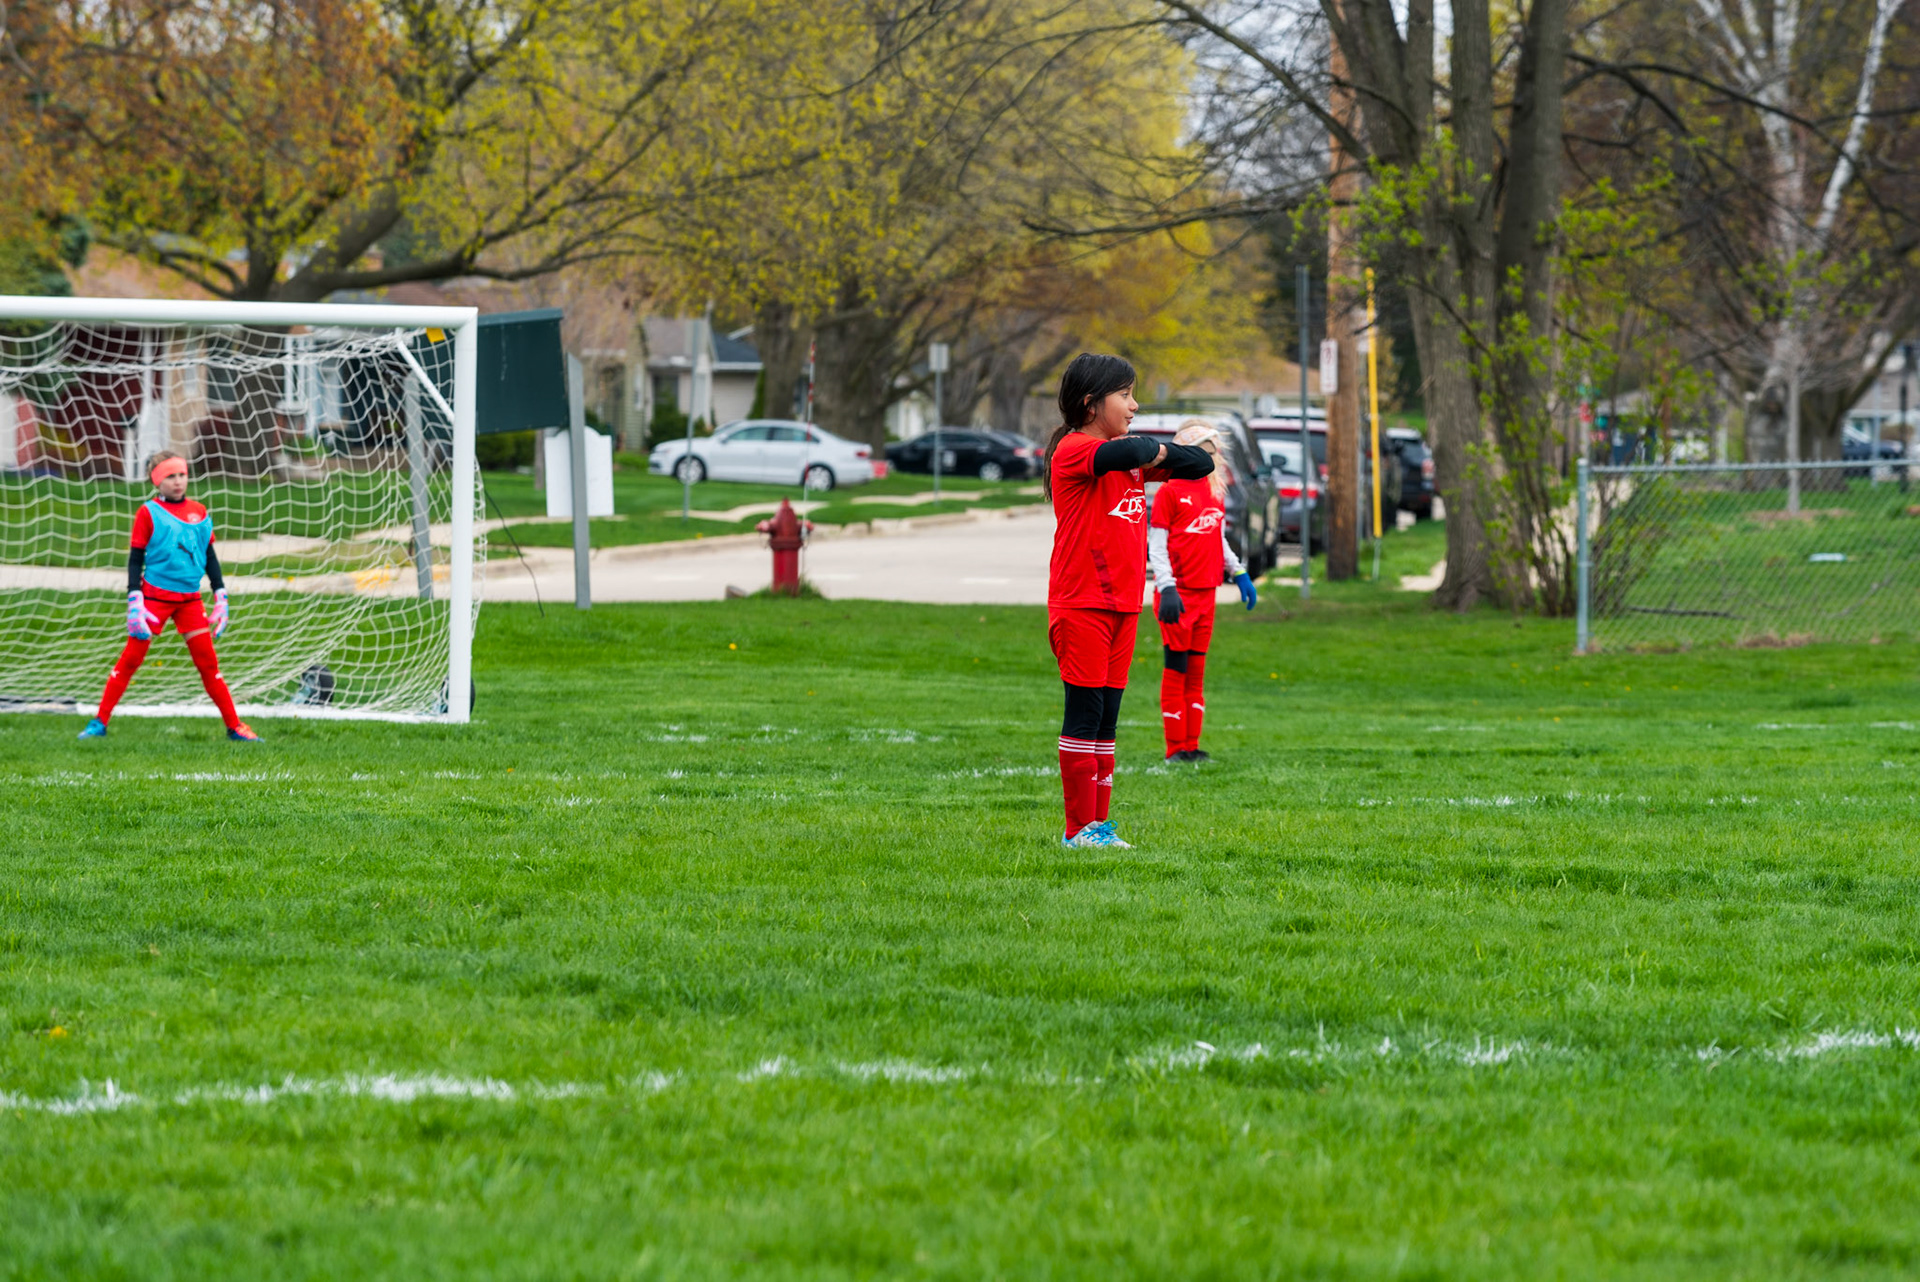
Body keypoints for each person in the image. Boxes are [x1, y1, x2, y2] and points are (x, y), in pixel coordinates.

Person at [1045, 354, 1213, 848]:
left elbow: (1200, 464)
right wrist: (1157, 451)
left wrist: (1157, 454)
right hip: (1082, 603)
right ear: (1090, 403)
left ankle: (1097, 826)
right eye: (1125, 395)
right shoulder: (1075, 450)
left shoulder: (1129, 458)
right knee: (1084, 715)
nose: (1135, 405)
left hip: (1123, 605)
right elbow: (1133, 451)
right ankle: (1077, 830)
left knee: (1107, 720)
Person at [78, 451, 259, 741]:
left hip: (190, 601)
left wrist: (220, 593)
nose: (177, 481)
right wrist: (134, 599)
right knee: (131, 660)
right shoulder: (148, 512)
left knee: (208, 665)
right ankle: (99, 722)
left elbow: (209, 555)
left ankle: (235, 726)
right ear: (157, 481)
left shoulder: (199, 512)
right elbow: (135, 558)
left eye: (181, 475)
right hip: (154, 600)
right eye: (170, 476)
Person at [1150, 420, 1257, 762]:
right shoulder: (1169, 492)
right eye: (1208, 451)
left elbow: (1217, 537)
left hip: (1207, 594)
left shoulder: (1215, 492)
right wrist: (1166, 586)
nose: (1214, 458)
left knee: (1196, 673)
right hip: (1178, 596)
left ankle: (1192, 745)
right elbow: (1157, 545)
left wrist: (1238, 571)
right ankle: (1174, 748)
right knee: (1176, 671)